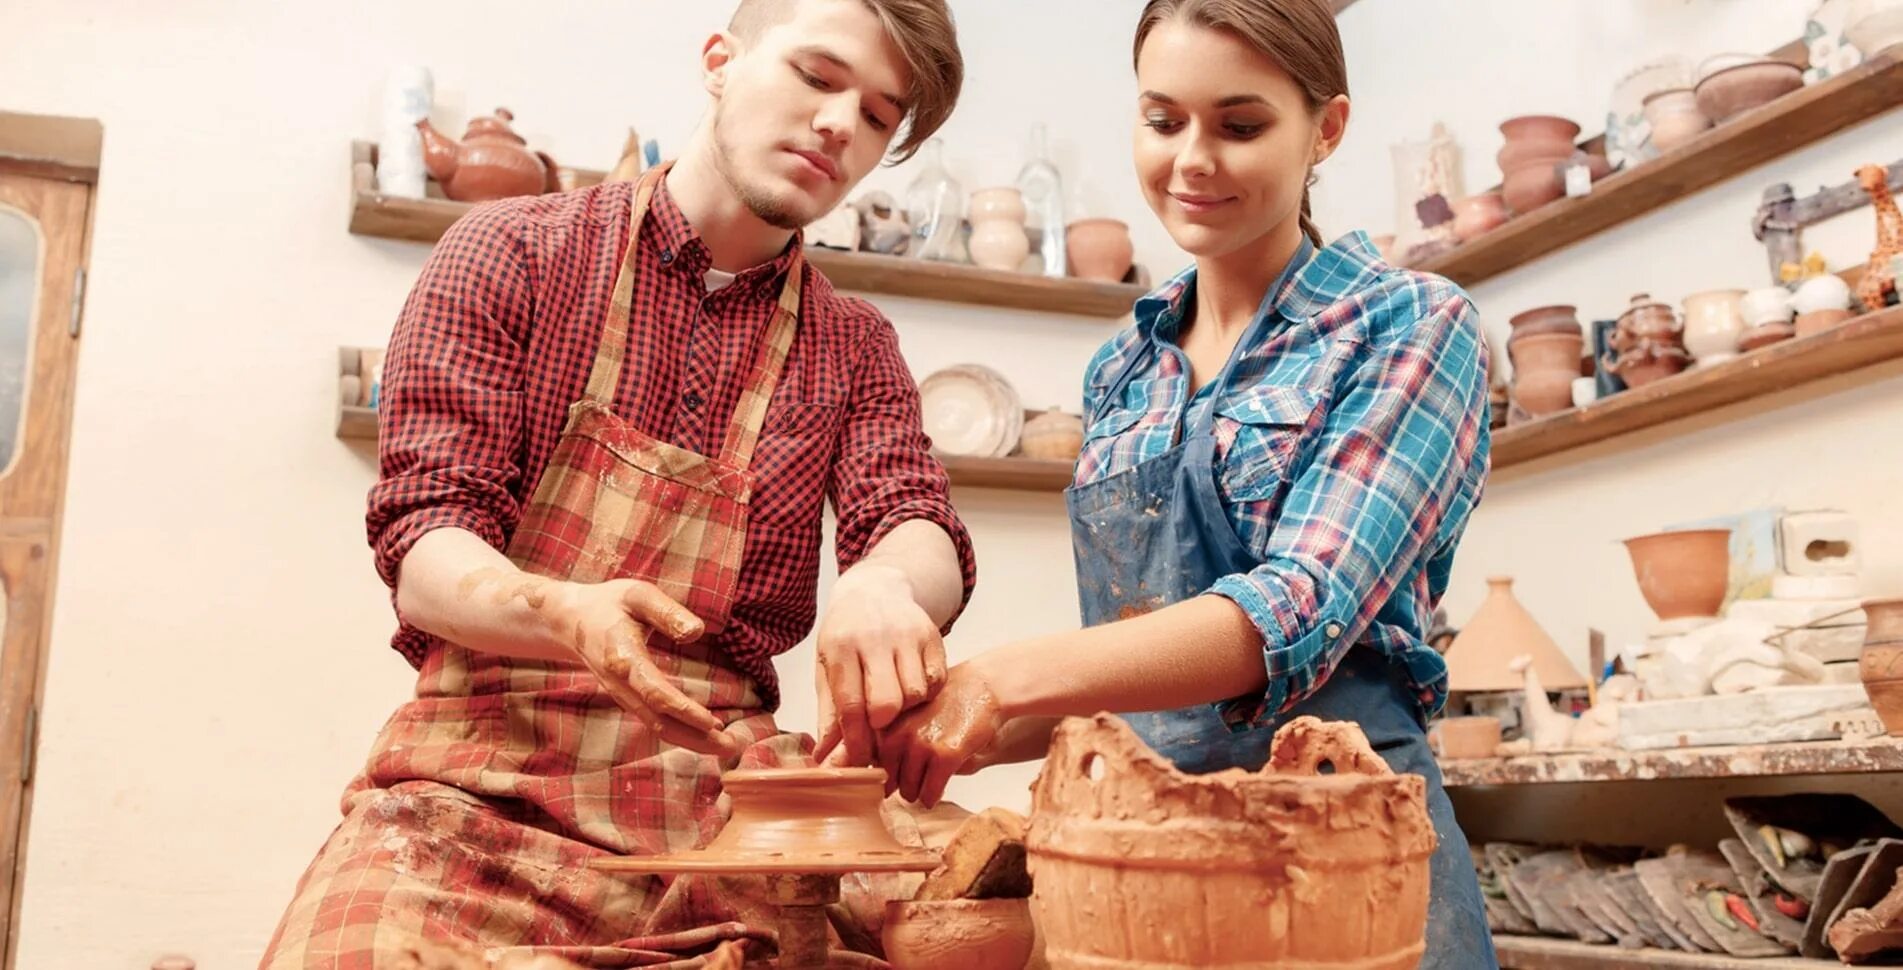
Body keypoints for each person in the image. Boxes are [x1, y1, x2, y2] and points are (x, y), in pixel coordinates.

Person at [261, 1, 973, 965]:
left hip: (725, 806)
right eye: (815, 75)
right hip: (474, 782)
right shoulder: (510, 251)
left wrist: (887, 583)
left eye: (880, 115)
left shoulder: (853, 345)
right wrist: (558, 611)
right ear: (720, 60)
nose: (841, 124)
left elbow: (914, 520)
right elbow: (426, 543)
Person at [865, 0, 1497, 965]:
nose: (1192, 159)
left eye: (1239, 125)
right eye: (1163, 121)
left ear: (1325, 129)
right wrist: (958, 726)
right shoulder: (1125, 364)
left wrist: (997, 679)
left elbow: (1295, 603)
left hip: (1342, 856)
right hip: (1135, 867)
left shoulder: (1408, 324)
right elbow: (1132, 670)